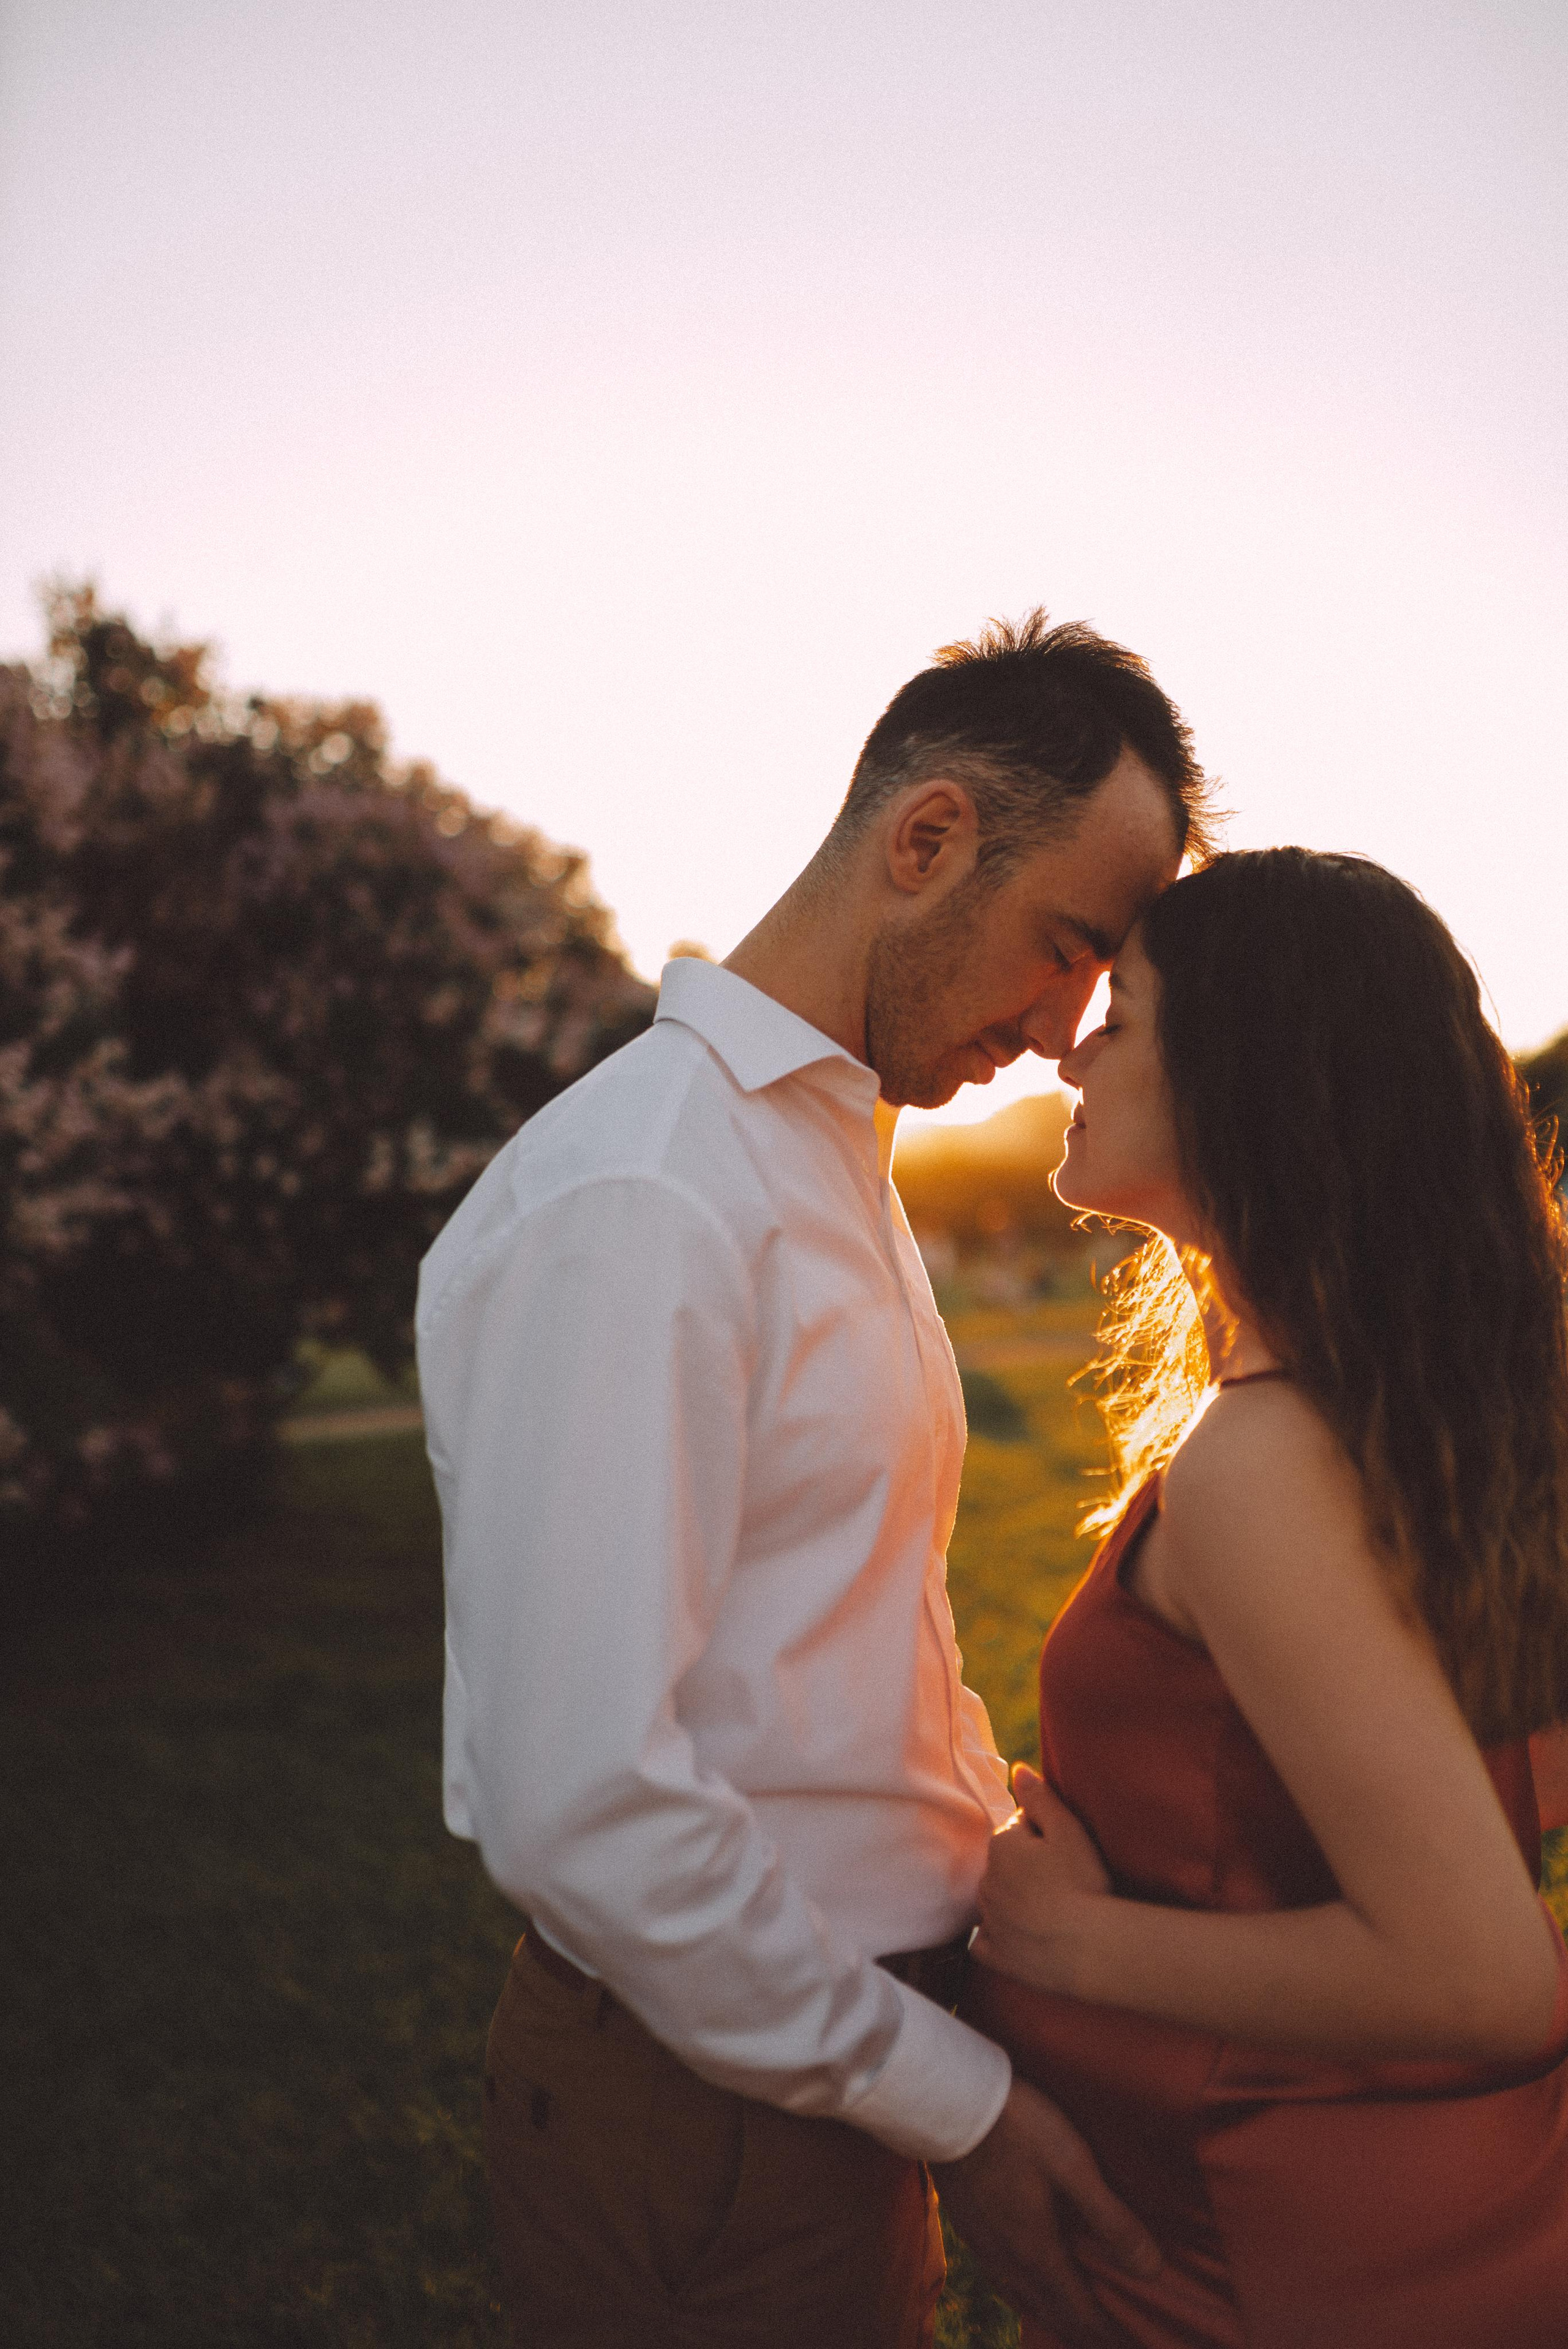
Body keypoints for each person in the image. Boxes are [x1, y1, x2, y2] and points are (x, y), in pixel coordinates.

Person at [415, 610, 1215, 2345]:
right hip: (705, 2091)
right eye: (1066, 943)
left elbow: (816, 1624)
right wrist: (957, 2097)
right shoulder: (649, 1196)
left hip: (812, 2051)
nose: (1073, 1025)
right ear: (928, 839)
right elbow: (588, 1808)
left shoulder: (824, 1158)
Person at [964, 847, 1568, 2348]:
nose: (1066, 1049)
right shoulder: (1403, 1412)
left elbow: (1485, 1978)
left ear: (1251, 1076)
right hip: (1365, 2213)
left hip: (1287, 2250)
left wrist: (1064, 1948)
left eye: (1119, 1015)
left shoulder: (1265, 1462)